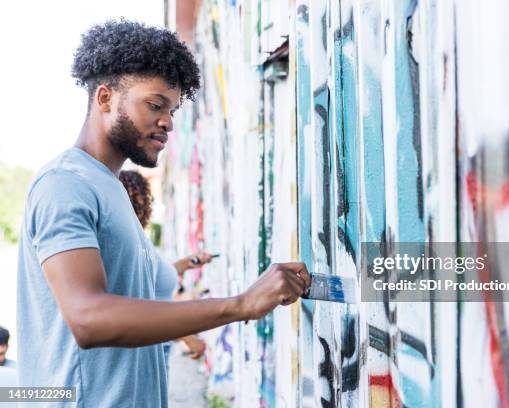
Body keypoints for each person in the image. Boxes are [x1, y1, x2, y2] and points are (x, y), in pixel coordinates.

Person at [17, 20, 310, 407]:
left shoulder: (110, 188)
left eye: (172, 109)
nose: (168, 122)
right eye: (155, 105)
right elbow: (88, 318)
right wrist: (239, 305)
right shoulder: (65, 184)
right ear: (105, 98)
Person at [118, 169, 208, 368]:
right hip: (146, 354)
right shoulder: (130, 243)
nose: (146, 202)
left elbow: (154, 275)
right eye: (143, 196)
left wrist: (186, 263)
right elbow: (141, 306)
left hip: (156, 349)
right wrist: (186, 336)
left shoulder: (139, 239)